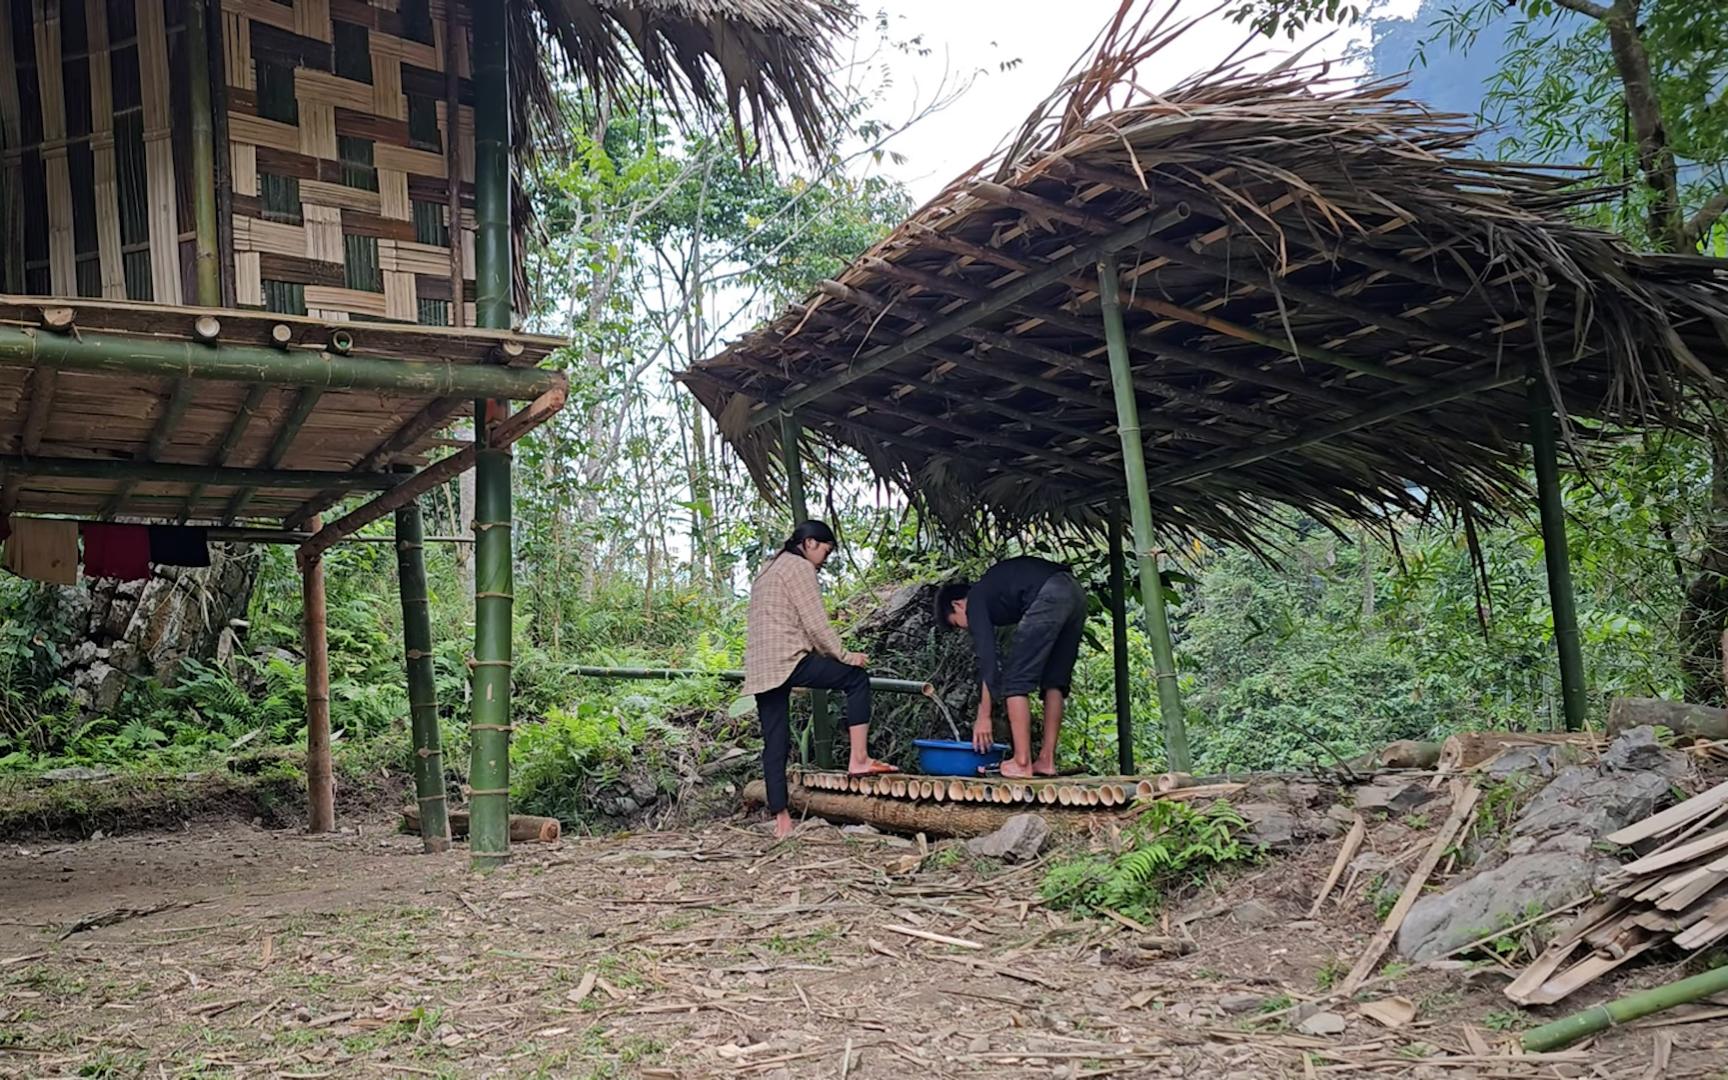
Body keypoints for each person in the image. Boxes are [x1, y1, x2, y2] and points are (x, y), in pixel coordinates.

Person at [743, 520, 896, 838]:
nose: (824, 560)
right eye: (825, 551)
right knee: (856, 679)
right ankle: (859, 759)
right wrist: (844, 655)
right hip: (788, 659)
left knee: (776, 739)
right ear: (810, 543)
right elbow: (815, 623)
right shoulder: (798, 567)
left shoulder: (769, 568)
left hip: (762, 666)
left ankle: (781, 819)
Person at [935, 556, 1086, 780]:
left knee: (1014, 682)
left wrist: (984, 716)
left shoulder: (975, 598)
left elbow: (988, 660)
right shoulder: (992, 591)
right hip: (1074, 592)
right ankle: (1046, 760)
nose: (964, 629)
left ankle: (1021, 761)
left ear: (958, 604)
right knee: (1054, 681)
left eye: (957, 623)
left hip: (1048, 594)